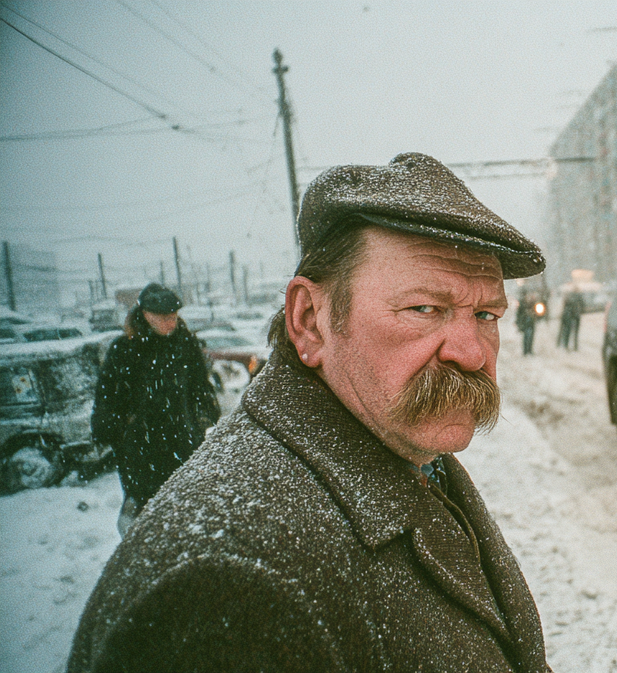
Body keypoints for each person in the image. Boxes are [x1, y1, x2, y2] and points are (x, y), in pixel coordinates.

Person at [69, 153, 551, 672]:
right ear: (310, 321)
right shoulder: (229, 591)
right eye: (424, 309)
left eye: (485, 314)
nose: (473, 352)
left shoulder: (399, 442)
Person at [90, 282, 220, 536]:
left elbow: (201, 388)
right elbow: (107, 398)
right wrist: (118, 430)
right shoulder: (124, 349)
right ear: (145, 314)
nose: (170, 322)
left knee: (186, 513)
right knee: (144, 518)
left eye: (173, 316)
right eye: (163, 317)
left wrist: (204, 418)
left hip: (182, 443)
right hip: (140, 450)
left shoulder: (185, 345)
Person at [516, 286, 538, 356]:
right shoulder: (522, 302)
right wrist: (519, 322)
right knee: (526, 335)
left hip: (531, 320)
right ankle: (526, 351)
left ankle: (529, 350)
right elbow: (519, 313)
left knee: (531, 335)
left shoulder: (533, 302)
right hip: (525, 320)